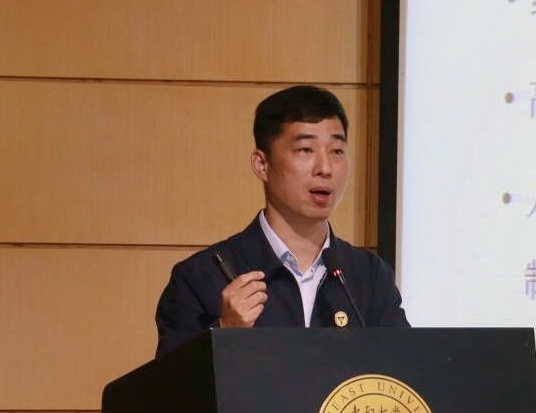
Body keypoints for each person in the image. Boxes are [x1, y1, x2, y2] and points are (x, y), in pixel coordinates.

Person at [155, 85, 408, 357]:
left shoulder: (368, 276)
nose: (325, 168)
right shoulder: (202, 277)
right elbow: (171, 383)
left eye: (337, 151)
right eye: (306, 150)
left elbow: (405, 370)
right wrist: (224, 332)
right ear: (262, 164)